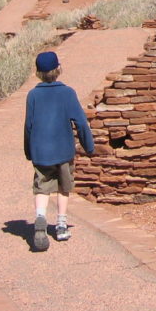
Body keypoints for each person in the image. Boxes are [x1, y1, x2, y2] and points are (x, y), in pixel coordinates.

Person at [23, 50, 94, 251]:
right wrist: (88, 145)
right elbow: (80, 122)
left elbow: (28, 125)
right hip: (63, 148)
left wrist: (29, 150)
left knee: (42, 186)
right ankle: (61, 225)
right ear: (58, 69)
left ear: (38, 72)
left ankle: (40, 217)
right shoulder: (67, 93)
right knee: (64, 186)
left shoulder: (33, 95)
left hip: (41, 151)